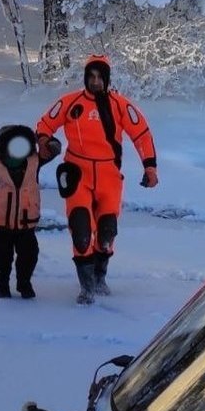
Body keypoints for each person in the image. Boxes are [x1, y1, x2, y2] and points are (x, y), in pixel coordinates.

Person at [35, 55, 158, 304]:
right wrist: (45, 142)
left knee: (106, 233)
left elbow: (142, 134)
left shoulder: (120, 105)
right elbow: (45, 124)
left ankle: (100, 276)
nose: (95, 81)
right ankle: (86, 286)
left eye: (100, 77)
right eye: (91, 76)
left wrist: (150, 167)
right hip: (77, 172)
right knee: (81, 230)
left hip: (109, 176)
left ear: (107, 78)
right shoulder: (71, 102)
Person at [0, 125, 59, 299]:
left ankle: (24, 283)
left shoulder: (34, 161)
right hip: (1, 223)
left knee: (30, 254)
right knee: (2, 256)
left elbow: (51, 151)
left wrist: (53, 144)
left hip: (26, 223)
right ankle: (1, 284)